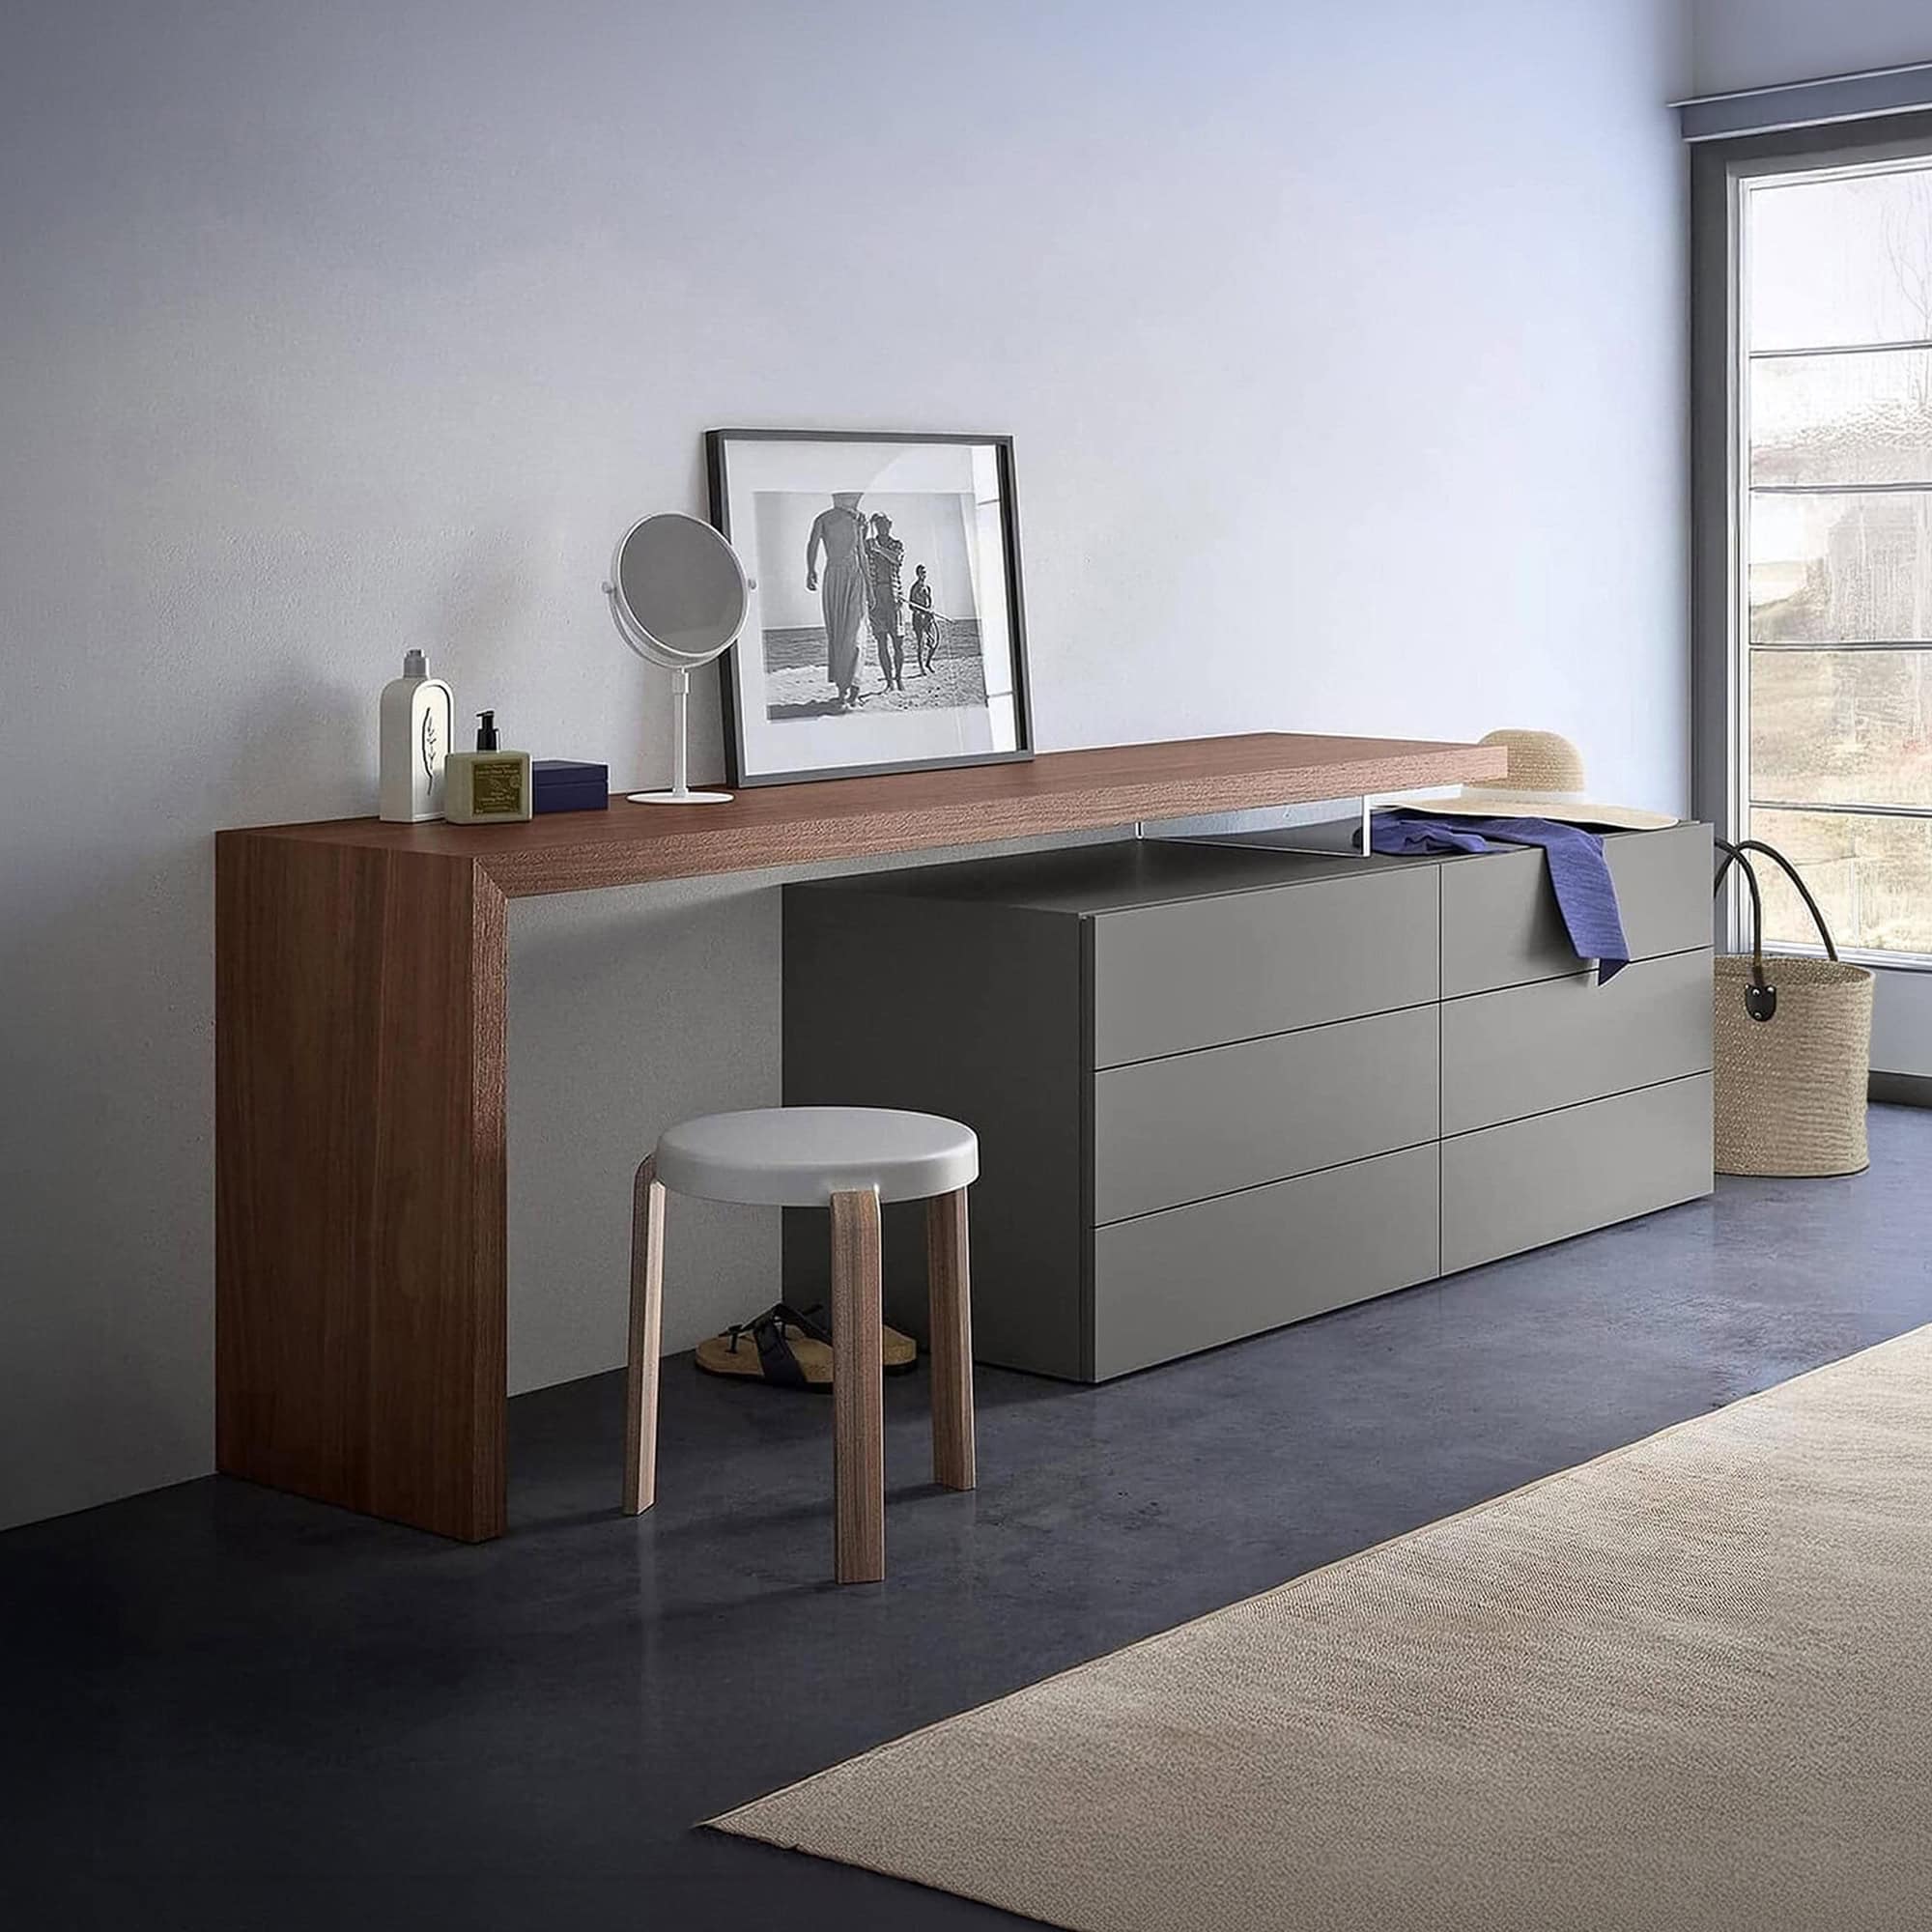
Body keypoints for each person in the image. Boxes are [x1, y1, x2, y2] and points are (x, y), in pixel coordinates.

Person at [805, 494, 868, 707]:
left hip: (843, 576)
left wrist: (811, 570)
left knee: (850, 633)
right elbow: (813, 544)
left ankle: (852, 688)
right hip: (841, 576)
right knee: (844, 633)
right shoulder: (842, 519)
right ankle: (846, 690)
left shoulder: (849, 519)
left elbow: (862, 553)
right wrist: (810, 570)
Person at [866, 512, 907, 693]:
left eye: (884, 524)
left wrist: (879, 549)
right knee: (881, 641)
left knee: (898, 642)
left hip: (894, 596)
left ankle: (899, 679)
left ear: (890, 525)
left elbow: (897, 559)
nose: (881, 527)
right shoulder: (868, 544)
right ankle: (889, 682)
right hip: (875, 597)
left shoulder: (896, 544)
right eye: (878, 524)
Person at [908, 563, 936, 675]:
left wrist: (931, 610)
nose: (923, 575)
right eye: (921, 573)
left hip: (928, 618)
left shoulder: (928, 587)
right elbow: (910, 605)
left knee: (933, 643)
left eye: (924, 572)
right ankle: (921, 668)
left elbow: (931, 602)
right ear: (917, 574)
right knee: (921, 643)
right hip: (918, 618)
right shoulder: (914, 587)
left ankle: (928, 663)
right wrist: (917, 611)